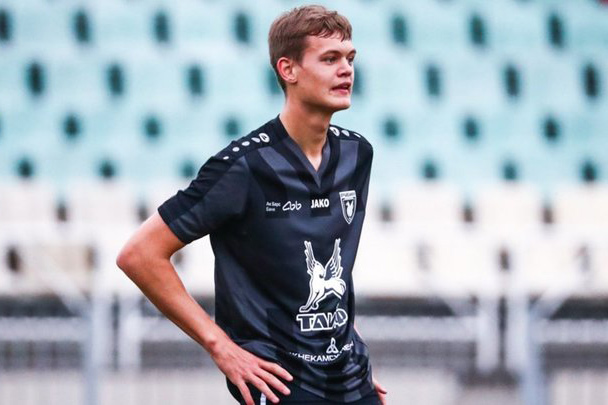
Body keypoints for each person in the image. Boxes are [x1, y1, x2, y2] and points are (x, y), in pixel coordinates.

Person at [117, 5, 386, 405]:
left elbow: (334, 270)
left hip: (350, 378)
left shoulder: (357, 153)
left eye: (350, 58)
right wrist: (220, 347)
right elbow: (139, 254)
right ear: (288, 69)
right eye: (329, 59)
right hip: (279, 383)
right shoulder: (242, 167)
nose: (346, 70)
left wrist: (353, 353)